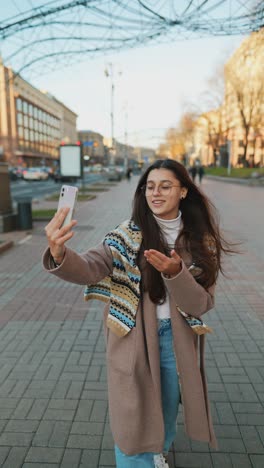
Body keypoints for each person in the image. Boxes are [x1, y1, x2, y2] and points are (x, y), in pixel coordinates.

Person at [43, 159, 233, 468]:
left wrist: (176, 274)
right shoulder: (126, 235)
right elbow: (92, 266)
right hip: (131, 337)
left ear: (183, 191)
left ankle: (158, 450)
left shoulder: (199, 242)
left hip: (175, 341)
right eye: (150, 187)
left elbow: (200, 305)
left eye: (165, 186)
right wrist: (59, 254)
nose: (155, 193)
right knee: (132, 419)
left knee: (167, 411)